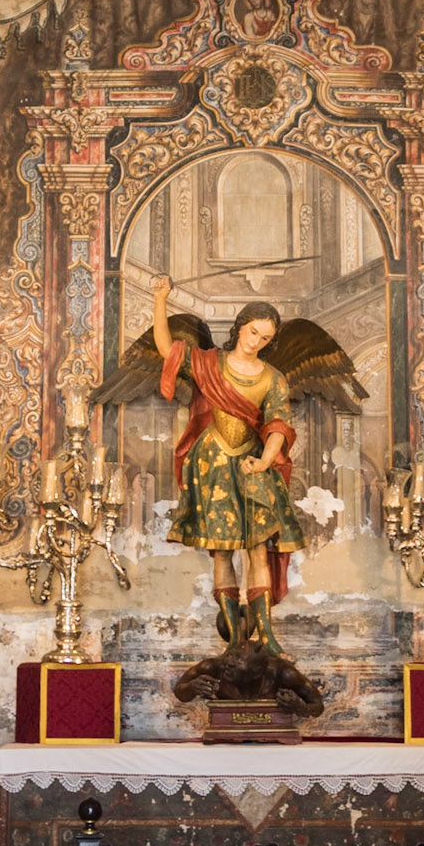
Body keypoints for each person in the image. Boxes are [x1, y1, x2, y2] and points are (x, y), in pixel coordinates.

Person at [151, 274, 306, 653]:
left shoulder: (273, 378)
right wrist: (160, 299)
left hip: (252, 465)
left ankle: (267, 636)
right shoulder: (208, 364)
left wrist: (265, 460)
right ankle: (236, 639)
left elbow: (278, 425)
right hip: (212, 462)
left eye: (265, 338)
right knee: (221, 550)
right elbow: (166, 349)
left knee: (256, 549)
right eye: (253, 332)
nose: (257, 342)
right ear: (240, 328)